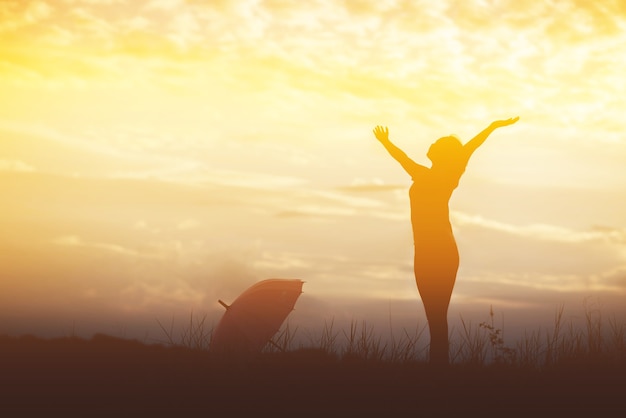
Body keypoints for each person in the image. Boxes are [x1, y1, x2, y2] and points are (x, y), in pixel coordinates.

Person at [372, 117, 519, 366]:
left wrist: (492, 128)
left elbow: (469, 148)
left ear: (444, 154)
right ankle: (439, 368)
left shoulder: (446, 175)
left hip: (439, 249)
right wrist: (386, 142)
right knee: (435, 318)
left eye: (437, 142)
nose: (431, 143)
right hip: (425, 251)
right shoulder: (423, 174)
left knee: (437, 318)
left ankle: (439, 370)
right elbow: (403, 159)